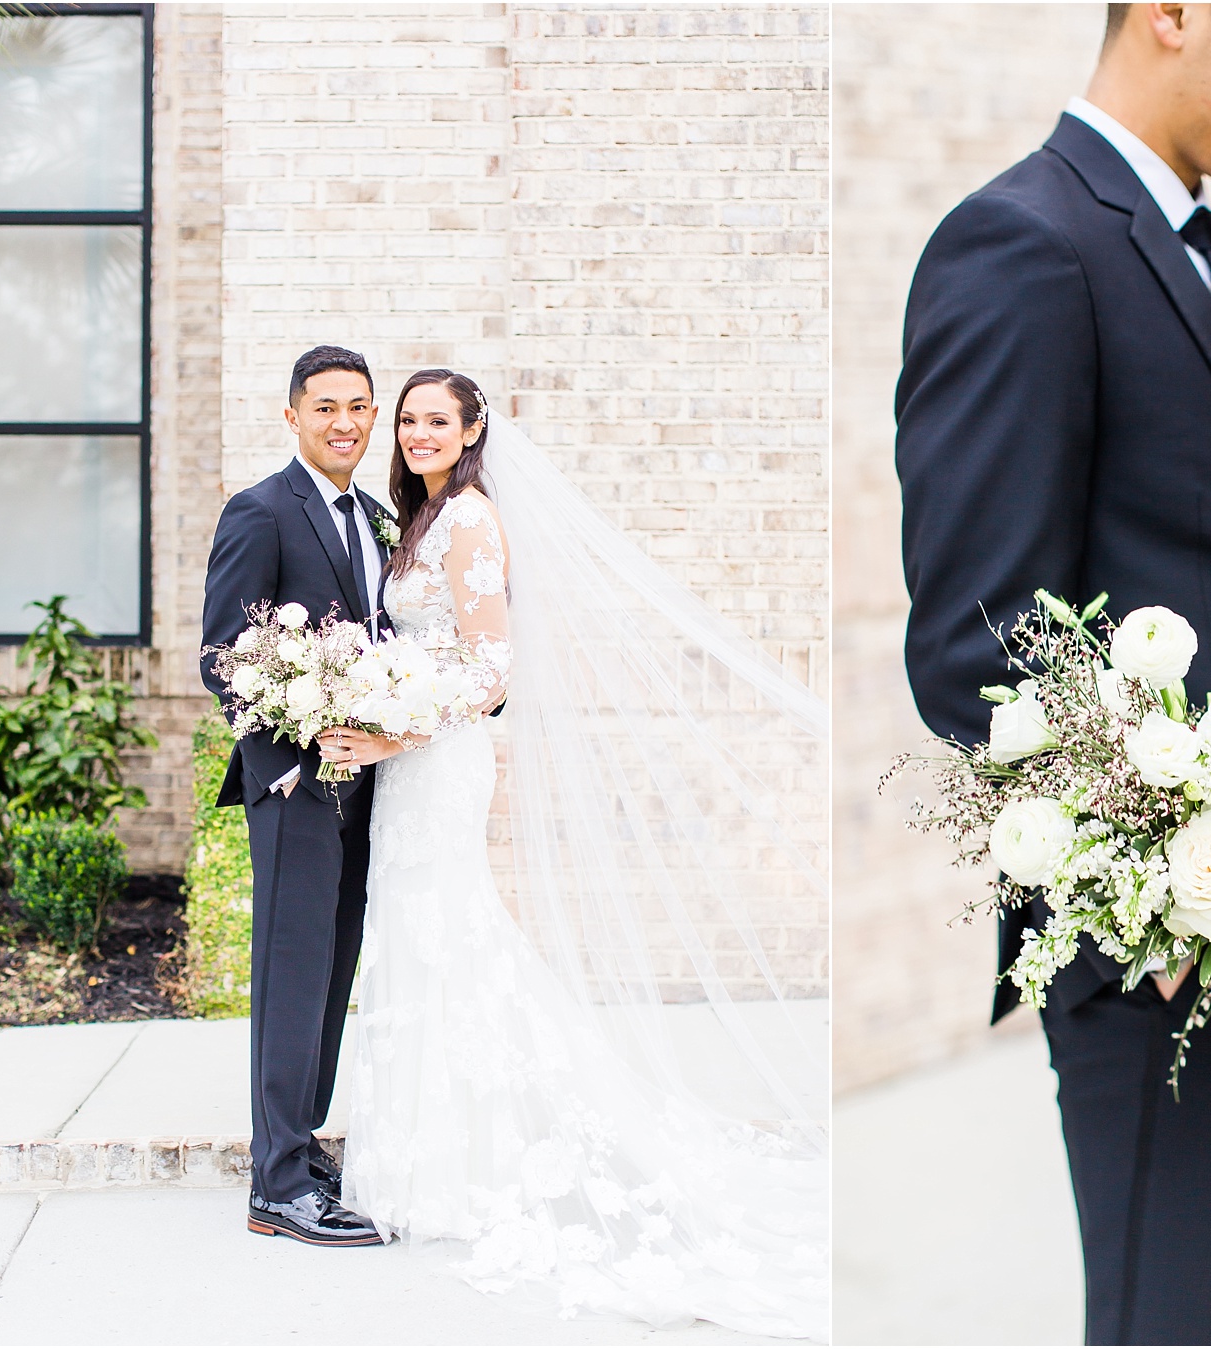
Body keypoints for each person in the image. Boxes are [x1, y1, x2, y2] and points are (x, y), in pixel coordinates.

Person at [895, 5, 1211, 1342]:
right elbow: (978, 645)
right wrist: (1169, 887)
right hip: (1163, 969)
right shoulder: (1024, 245)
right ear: (1174, 12)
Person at [313, 370, 829, 1338]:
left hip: (439, 761)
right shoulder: (420, 519)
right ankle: (434, 1160)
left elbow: (494, 667)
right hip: (413, 765)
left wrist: (390, 733)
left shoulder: (467, 518)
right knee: (425, 941)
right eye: (411, 420)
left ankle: (465, 1169)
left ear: (472, 432)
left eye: (439, 421)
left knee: (447, 935)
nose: (420, 433)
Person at [199, 345, 391, 1247]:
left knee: (334, 966)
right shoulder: (262, 510)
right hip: (294, 784)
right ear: (292, 416)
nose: (345, 422)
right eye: (326, 408)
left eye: (358, 406)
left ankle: (301, 1144)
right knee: (290, 972)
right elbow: (222, 653)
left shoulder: (381, 518)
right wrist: (295, 729)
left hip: (370, 786)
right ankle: (275, 1182)